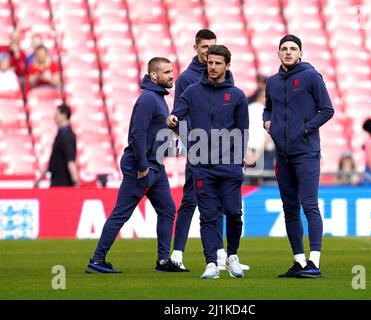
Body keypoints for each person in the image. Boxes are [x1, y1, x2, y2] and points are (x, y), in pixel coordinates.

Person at [85, 57, 186, 274]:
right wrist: (142, 165)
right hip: (141, 167)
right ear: (154, 76)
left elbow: (152, 133)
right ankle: (97, 260)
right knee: (121, 213)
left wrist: (170, 146)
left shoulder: (158, 98)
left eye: (172, 71)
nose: (172, 75)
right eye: (167, 72)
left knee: (167, 210)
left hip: (155, 167)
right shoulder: (148, 99)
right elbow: (137, 134)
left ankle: (162, 261)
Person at [169, 29, 249, 272]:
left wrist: (239, 161)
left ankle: (230, 255)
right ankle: (209, 261)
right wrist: (180, 131)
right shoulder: (189, 86)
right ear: (197, 50)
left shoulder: (236, 94)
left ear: (226, 65)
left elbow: (241, 130)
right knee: (203, 212)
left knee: (233, 212)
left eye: (217, 62)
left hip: (228, 164)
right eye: (209, 58)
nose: (211, 64)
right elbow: (177, 113)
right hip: (201, 161)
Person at [263, 34, 334, 278]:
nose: (289, 52)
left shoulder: (311, 76)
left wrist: (305, 128)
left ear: (301, 53)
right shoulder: (272, 82)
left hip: (306, 153)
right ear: (278, 53)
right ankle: (299, 261)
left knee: (309, 205)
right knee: (289, 209)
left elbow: (327, 110)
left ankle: (314, 262)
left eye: (293, 48)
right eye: (284, 48)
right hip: (282, 155)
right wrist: (267, 122)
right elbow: (267, 108)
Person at [34, 104, 79, 187]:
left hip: (64, 184)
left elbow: (70, 161)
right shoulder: (59, 135)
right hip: (56, 182)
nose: (54, 117)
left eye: (57, 114)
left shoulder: (67, 136)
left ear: (64, 115)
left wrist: (76, 182)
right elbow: (53, 161)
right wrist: (39, 180)